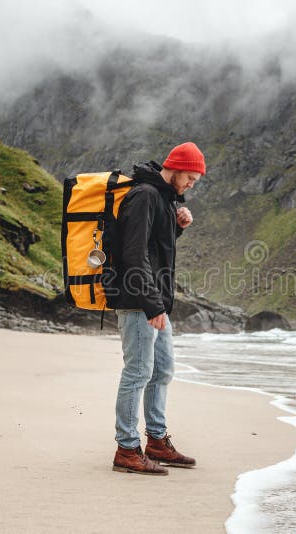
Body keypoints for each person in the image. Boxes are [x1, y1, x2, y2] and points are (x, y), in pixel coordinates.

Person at [109, 142, 205, 476]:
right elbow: (133, 254)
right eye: (191, 177)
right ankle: (126, 448)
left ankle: (157, 441)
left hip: (155, 301)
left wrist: (177, 226)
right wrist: (151, 304)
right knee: (137, 372)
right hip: (138, 302)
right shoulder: (145, 195)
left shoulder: (165, 199)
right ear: (176, 167)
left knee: (162, 371)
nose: (193, 184)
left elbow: (157, 250)